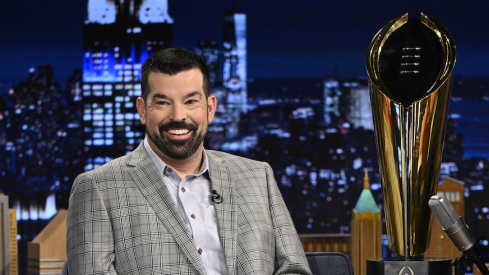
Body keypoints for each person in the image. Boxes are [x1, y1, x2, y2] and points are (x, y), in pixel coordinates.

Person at [66, 48, 312, 275]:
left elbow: (295, 269)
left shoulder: (258, 176)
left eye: (191, 101)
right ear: (142, 110)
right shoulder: (96, 188)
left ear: (210, 108)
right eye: (162, 103)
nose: (178, 116)